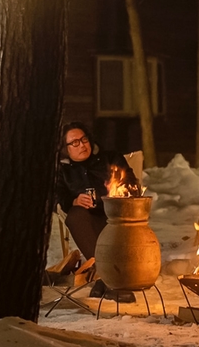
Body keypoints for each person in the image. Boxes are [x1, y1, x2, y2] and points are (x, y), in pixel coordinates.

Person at [54, 122, 139, 302]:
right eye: (74, 143)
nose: (82, 145)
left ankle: (104, 281)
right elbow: (56, 195)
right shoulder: (62, 170)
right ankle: (110, 279)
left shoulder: (110, 158)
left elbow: (132, 184)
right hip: (85, 221)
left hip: (114, 216)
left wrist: (111, 197)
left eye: (84, 139)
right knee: (76, 216)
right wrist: (74, 200)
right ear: (65, 148)